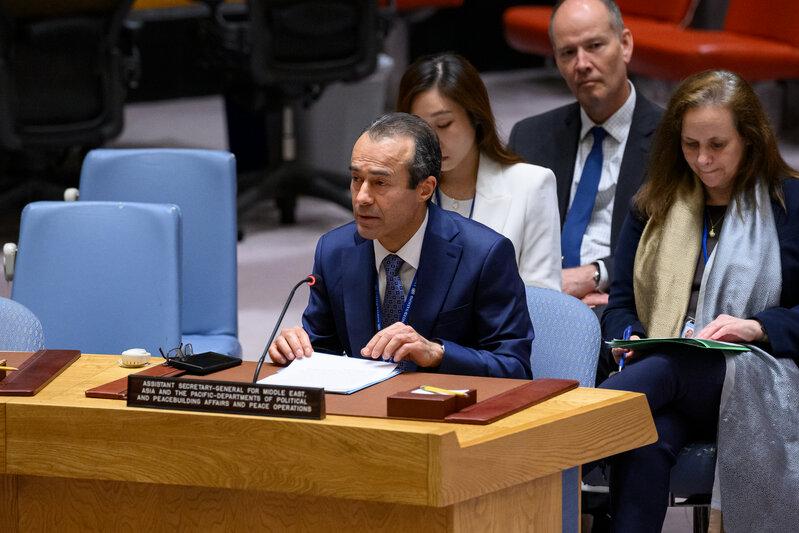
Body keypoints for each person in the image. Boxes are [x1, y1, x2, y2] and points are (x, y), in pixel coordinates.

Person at [600, 70, 799, 532]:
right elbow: (620, 303)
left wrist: (758, 327)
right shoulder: (653, 203)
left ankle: (560, 435)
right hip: (664, 378)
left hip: (763, 374)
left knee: (672, 364)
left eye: (717, 145)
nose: (703, 159)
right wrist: (631, 338)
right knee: (644, 440)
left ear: (749, 140)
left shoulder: (791, 203)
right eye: (691, 145)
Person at [268, 112, 534, 379]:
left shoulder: (484, 255)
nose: (361, 198)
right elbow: (322, 349)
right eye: (356, 179)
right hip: (363, 403)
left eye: (380, 183)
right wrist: (295, 352)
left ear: (425, 189)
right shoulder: (334, 250)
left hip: (444, 402)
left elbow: (515, 367)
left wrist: (438, 353)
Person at [508, 0, 662, 306]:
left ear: (625, 45)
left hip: (625, 304)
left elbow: (676, 243)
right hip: (539, 301)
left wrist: (598, 274)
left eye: (594, 46)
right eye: (568, 53)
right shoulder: (530, 137)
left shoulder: (671, 139)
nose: (582, 63)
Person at [397, 53, 562, 290]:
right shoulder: (402, 188)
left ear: (475, 117)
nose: (432, 141)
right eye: (420, 129)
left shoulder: (532, 185)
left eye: (444, 124)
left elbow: (542, 297)